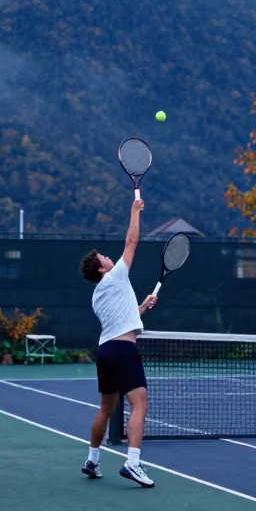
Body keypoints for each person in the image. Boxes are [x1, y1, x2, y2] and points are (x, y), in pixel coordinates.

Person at [78, 196, 158, 487]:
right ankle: (133, 463)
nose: (109, 258)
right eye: (104, 258)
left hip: (106, 352)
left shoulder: (98, 295)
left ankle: (92, 459)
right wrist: (134, 212)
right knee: (139, 405)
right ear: (101, 269)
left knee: (106, 409)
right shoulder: (116, 276)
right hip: (124, 351)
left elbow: (122, 320)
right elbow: (132, 242)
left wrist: (143, 307)